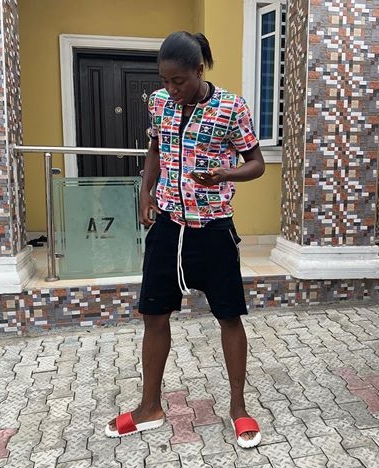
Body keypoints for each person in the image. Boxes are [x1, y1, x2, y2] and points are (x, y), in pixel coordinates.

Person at [105, 31, 265, 449]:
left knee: (229, 316)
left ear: (199, 70)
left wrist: (225, 174)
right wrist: (145, 193)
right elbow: (155, 150)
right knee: (153, 315)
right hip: (167, 226)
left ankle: (238, 408)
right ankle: (149, 407)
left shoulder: (231, 107)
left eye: (179, 80)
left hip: (212, 228)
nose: (172, 89)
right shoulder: (159, 103)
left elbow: (256, 162)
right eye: (165, 80)